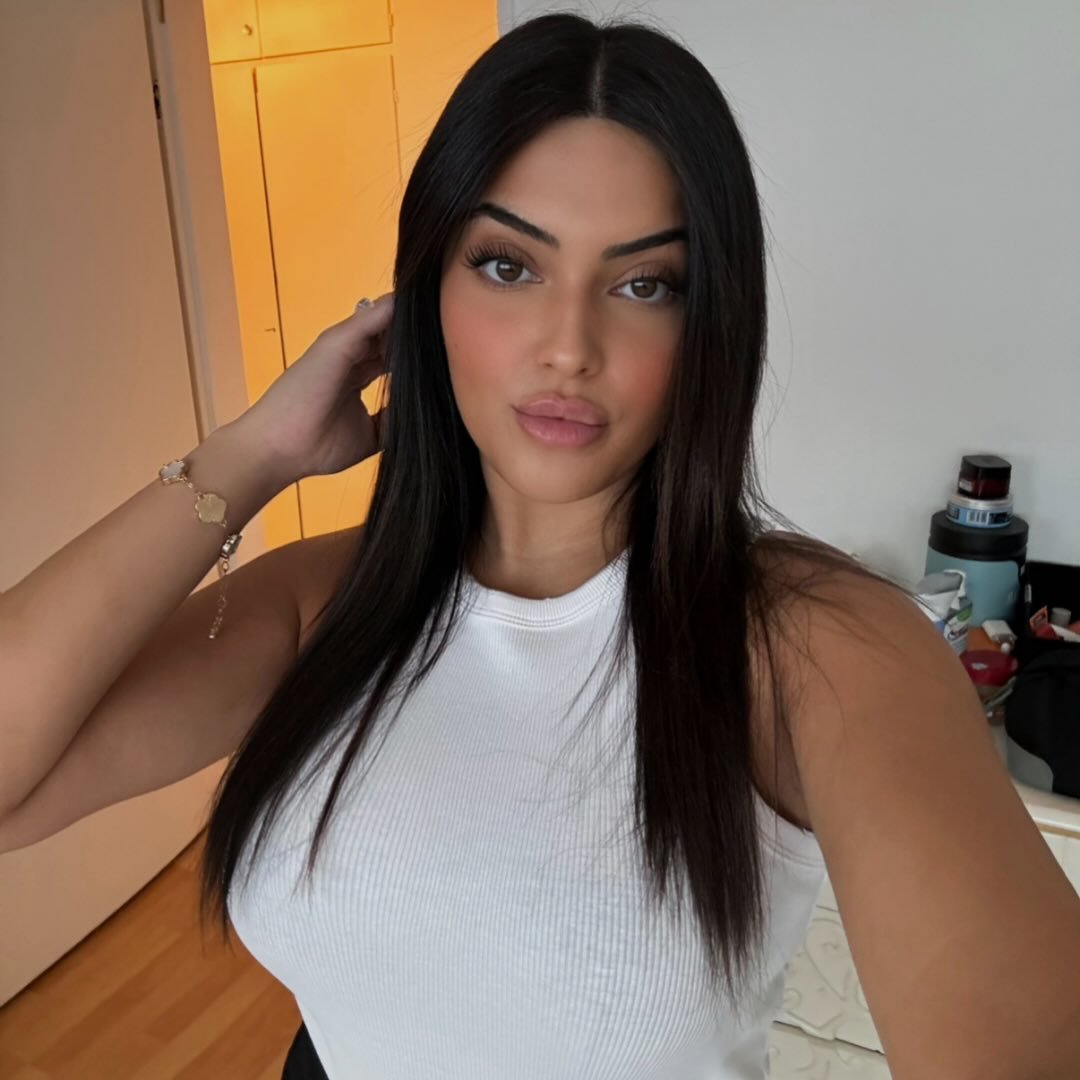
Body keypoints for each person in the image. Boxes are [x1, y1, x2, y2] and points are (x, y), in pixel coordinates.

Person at [2, 11, 1078, 1080]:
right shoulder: (323, 605)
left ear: (711, 323)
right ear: (424, 296)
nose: (568, 347)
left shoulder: (821, 650)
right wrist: (252, 453)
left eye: (645, 284)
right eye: (508, 266)